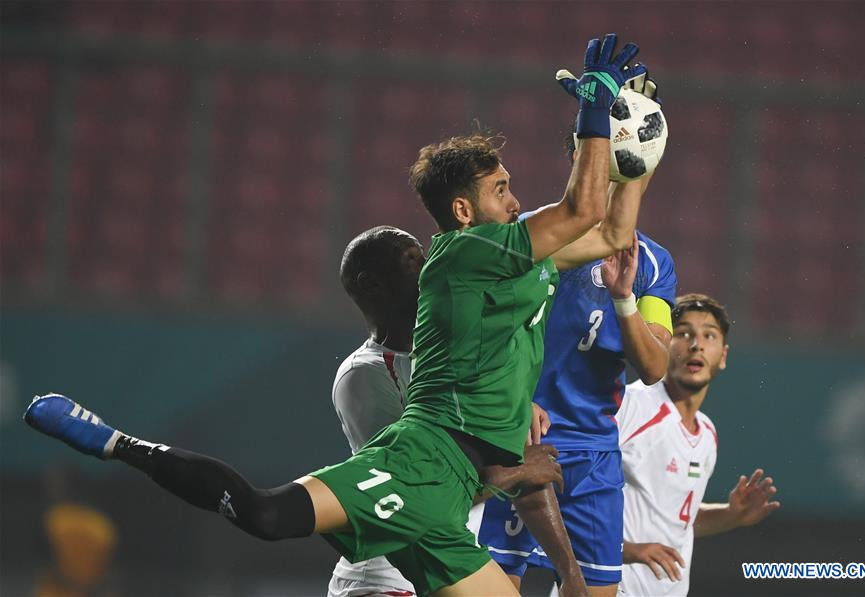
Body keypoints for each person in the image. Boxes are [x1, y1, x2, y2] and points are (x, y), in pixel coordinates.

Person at [24, 34, 649, 596]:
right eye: (501, 190)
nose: (515, 202)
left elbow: (613, 232)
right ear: (462, 211)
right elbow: (583, 210)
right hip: (417, 465)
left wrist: (639, 141)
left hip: (455, 497)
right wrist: (595, 108)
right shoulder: (465, 255)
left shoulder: (516, 258)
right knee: (264, 514)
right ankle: (118, 443)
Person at [476, 71, 675, 597]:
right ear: (582, 158)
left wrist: (624, 300)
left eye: (636, 151)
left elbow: (654, 367)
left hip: (594, 454)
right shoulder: (537, 236)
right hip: (523, 438)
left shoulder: (654, 265)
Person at [327, 225, 564, 597]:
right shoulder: (364, 375)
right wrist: (517, 471)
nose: (428, 265)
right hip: (385, 579)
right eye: (412, 260)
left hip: (447, 571)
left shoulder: (449, 362)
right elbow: (413, 492)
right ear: (371, 283)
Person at [615, 294, 780, 596]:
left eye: (709, 336)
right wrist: (627, 550)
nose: (696, 345)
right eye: (683, 333)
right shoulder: (630, 406)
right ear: (663, 342)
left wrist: (731, 514)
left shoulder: (707, 434)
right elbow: (571, 496)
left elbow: (678, 521)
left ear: (723, 356)